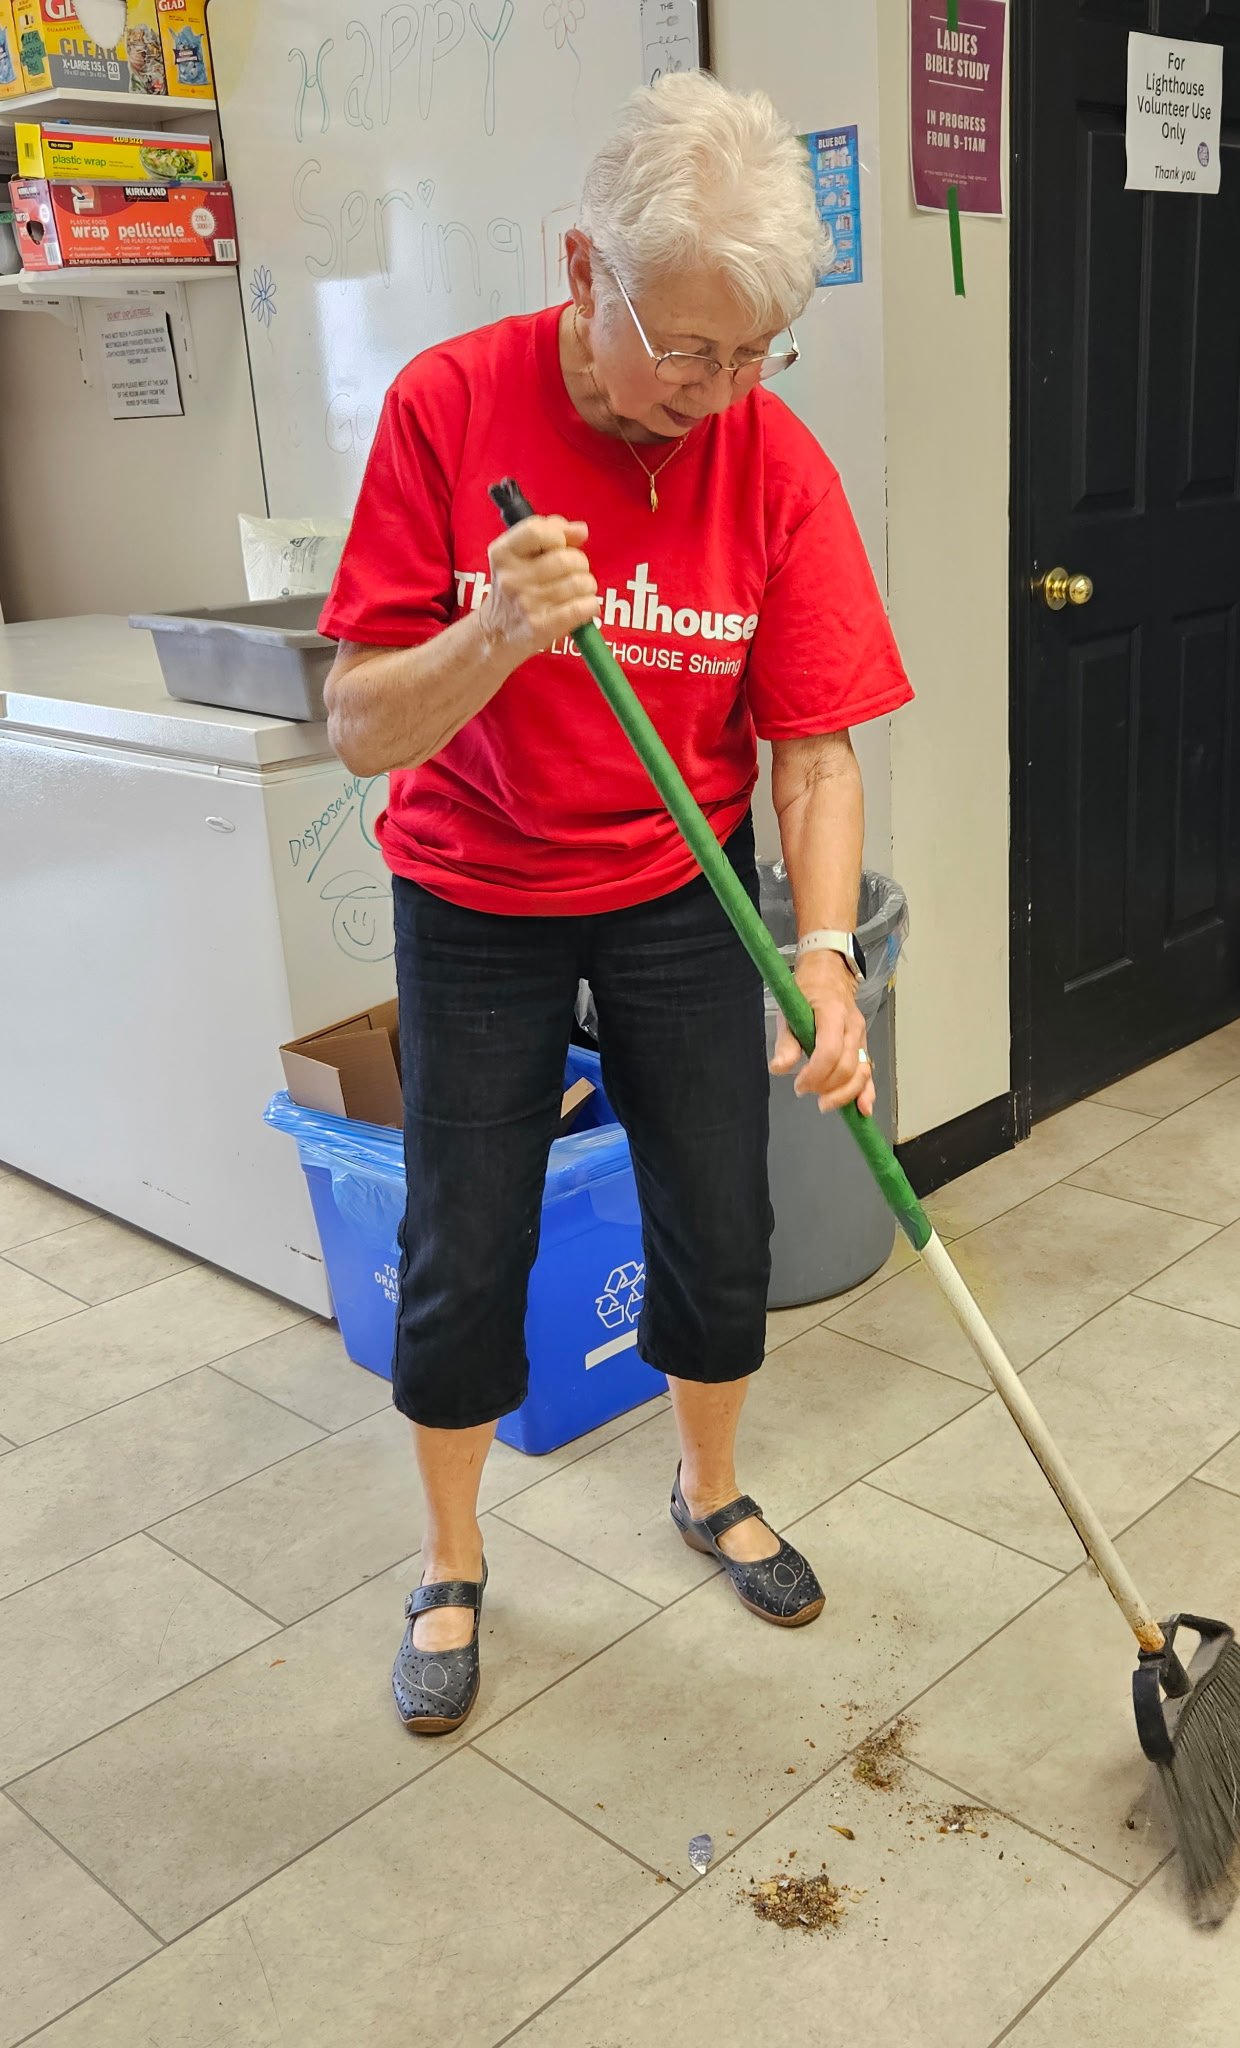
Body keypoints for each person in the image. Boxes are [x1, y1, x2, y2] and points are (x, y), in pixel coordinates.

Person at [321, 71, 913, 1735]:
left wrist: (822, 952)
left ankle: (707, 1490)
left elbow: (814, 749)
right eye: (685, 350)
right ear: (583, 267)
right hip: (477, 890)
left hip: (677, 888)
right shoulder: (450, 407)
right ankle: (451, 1562)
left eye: (750, 358)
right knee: (467, 1242)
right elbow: (359, 722)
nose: (715, 394)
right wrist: (493, 635)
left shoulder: (769, 460)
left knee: (724, 1222)